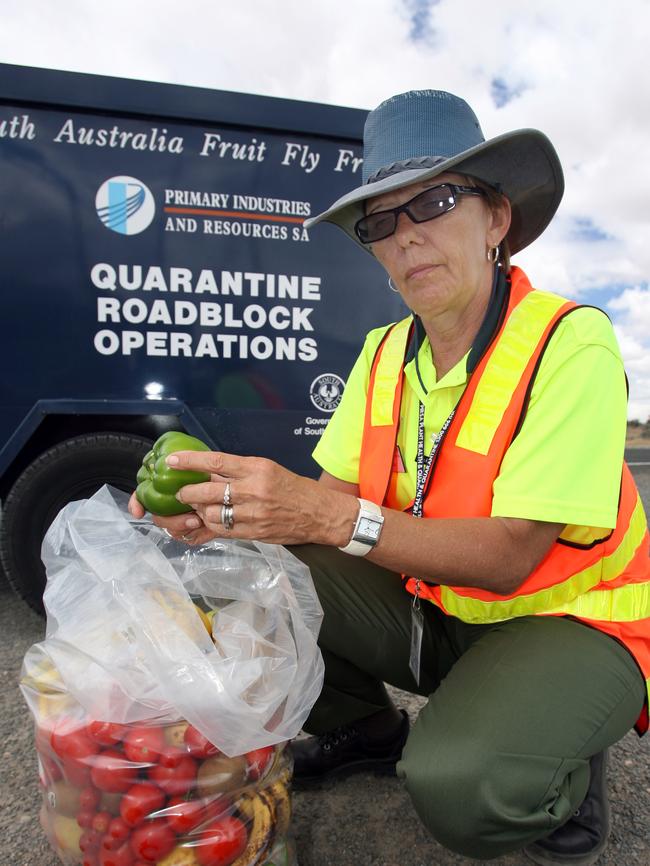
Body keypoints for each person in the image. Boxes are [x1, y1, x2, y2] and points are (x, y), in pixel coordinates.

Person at [128, 90, 650, 865]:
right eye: (381, 223)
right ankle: (366, 729)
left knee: (460, 786)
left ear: (496, 219)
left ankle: (557, 776)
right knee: (256, 573)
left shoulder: (571, 344)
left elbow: (509, 556)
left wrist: (331, 519)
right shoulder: (383, 353)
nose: (408, 238)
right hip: (447, 613)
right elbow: (324, 505)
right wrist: (227, 515)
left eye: (435, 202)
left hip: (570, 624)